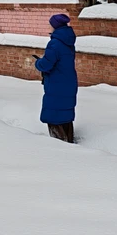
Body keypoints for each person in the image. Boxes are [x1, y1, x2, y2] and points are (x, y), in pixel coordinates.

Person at [34, 13, 78, 143]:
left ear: (55, 26)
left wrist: (38, 63)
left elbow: (46, 64)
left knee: (54, 116)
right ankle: (69, 142)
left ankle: (58, 146)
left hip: (56, 84)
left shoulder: (55, 43)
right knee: (65, 113)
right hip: (68, 82)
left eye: (50, 25)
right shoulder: (68, 42)